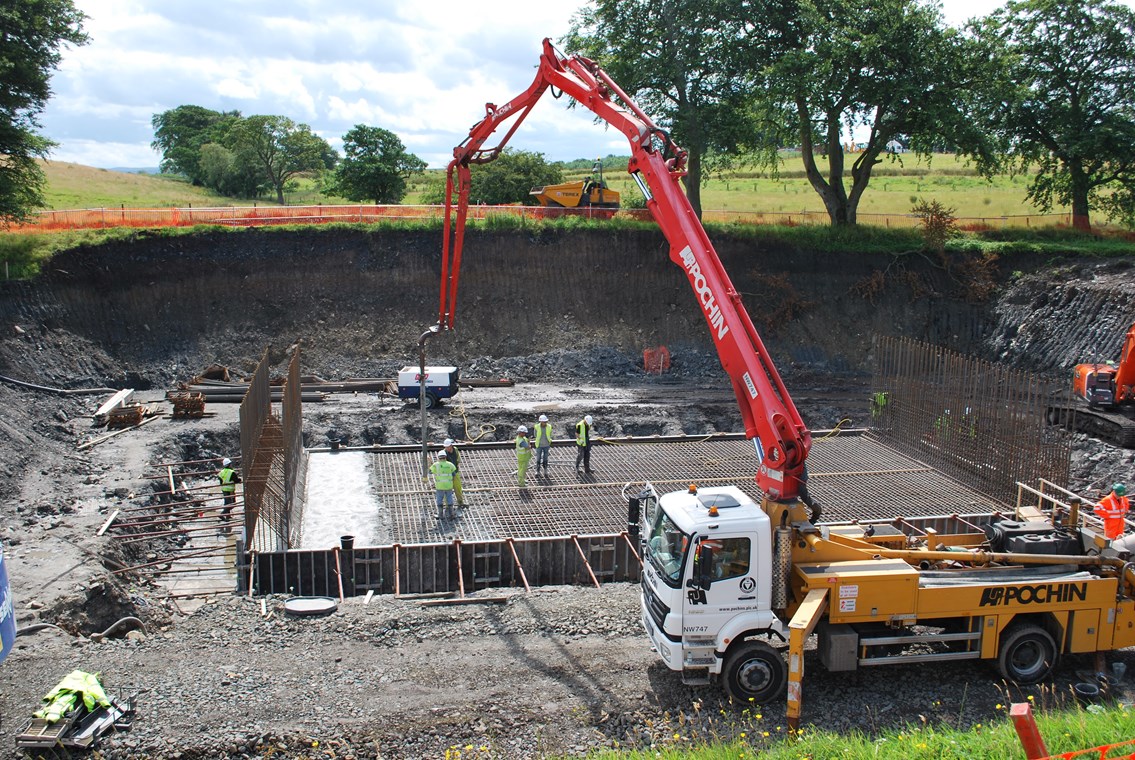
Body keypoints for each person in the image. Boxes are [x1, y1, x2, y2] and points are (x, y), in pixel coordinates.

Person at [429, 450, 458, 521]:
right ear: (445, 457)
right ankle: (451, 514)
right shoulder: (450, 464)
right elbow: (454, 474)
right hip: (448, 486)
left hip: (440, 486)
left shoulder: (436, 465)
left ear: (438, 457)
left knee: (439, 500)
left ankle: (441, 515)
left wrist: (430, 462)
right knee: (449, 499)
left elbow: (430, 472)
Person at [217, 457, 241, 531]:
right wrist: (240, 480)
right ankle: (222, 514)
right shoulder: (231, 472)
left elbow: (220, 480)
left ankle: (227, 516)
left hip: (224, 490)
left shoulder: (221, 472)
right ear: (229, 464)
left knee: (227, 503)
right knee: (233, 504)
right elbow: (236, 480)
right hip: (230, 490)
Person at [443, 438, 466, 507]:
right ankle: (448, 505)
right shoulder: (444, 453)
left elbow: (458, 459)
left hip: (455, 472)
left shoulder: (455, 450)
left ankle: (460, 502)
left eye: (448, 447)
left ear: (451, 446)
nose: (447, 448)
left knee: (458, 487)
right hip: (447, 474)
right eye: (446, 447)